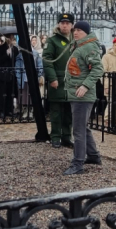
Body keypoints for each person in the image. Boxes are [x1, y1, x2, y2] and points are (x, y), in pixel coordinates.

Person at [63, 21, 104, 175]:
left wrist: (85, 86)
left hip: (82, 95)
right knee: (83, 127)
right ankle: (93, 156)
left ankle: (78, 164)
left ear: (86, 32)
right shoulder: (80, 45)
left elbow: (98, 69)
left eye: (79, 30)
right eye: (75, 30)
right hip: (77, 93)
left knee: (78, 130)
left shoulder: (88, 47)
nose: (75, 32)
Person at [43, 14, 74, 147]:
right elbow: (47, 60)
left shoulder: (76, 40)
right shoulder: (53, 41)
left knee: (69, 112)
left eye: (67, 23)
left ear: (72, 25)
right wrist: (52, 78)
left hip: (72, 81)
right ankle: (55, 136)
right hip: (58, 80)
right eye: (62, 23)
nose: (65, 25)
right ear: (58, 24)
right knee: (56, 112)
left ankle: (67, 136)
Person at [0, 30, 19, 119]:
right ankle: (2, 111)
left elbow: (16, 60)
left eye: (12, 37)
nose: (10, 39)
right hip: (3, 73)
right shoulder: (1, 48)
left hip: (12, 73)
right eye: (9, 37)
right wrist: (6, 54)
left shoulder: (15, 48)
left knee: (10, 93)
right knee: (2, 93)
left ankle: (9, 110)